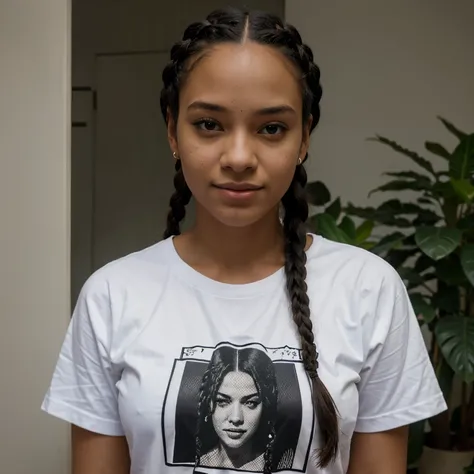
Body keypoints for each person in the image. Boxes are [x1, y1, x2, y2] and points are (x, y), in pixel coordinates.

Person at [41, 6, 447, 474]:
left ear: (304, 138)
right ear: (172, 130)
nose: (238, 156)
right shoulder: (111, 296)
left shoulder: (370, 289)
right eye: (209, 124)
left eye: (271, 128)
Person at [195, 345, 279, 473]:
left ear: (265, 407)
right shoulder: (193, 463)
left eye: (250, 403)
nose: (236, 418)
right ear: (209, 403)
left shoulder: (282, 465)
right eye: (223, 401)